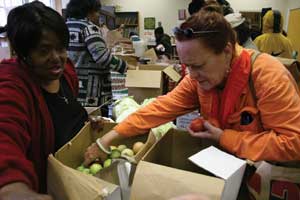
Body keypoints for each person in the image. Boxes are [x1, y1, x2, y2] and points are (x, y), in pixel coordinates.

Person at [84, 5, 300, 198]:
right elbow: (159, 109)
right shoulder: (197, 81)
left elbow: (293, 142)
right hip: (231, 174)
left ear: (226, 51)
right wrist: (106, 141)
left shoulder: (267, 76)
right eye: (187, 66)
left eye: (198, 65)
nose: (192, 75)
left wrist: (226, 137)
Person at [0, 1, 94, 199]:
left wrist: (88, 123)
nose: (56, 58)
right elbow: (5, 137)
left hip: (82, 178)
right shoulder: (12, 87)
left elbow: (66, 112)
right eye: (44, 51)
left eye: (61, 48)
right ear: (24, 53)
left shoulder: (66, 72)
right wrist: (14, 190)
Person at [66, 0, 128, 116]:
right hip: (91, 88)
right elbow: (102, 57)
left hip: (71, 83)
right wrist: (125, 66)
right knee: (96, 124)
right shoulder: (89, 28)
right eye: (97, 12)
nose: (99, 15)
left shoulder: (65, 27)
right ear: (88, 12)